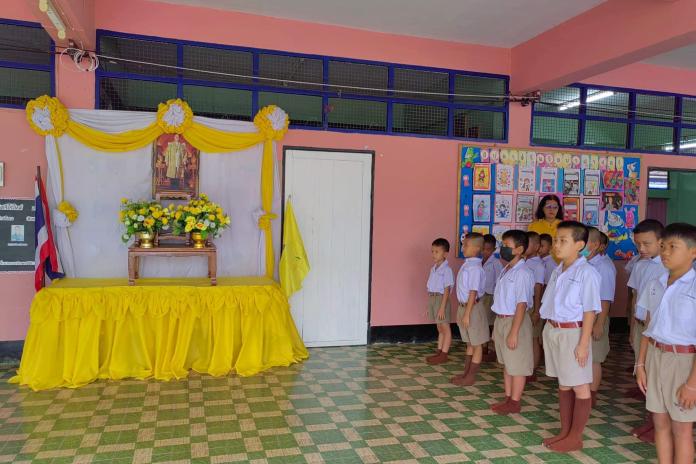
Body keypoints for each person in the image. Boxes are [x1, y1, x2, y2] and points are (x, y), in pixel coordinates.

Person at [635, 223, 696, 464]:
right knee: (660, 424)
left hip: (684, 362)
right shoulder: (655, 284)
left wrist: (692, 384)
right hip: (654, 357)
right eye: (663, 247)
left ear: (693, 252)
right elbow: (648, 329)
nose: (665, 253)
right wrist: (640, 365)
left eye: (673, 247)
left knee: (681, 429)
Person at [540, 221, 601, 453]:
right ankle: (565, 431)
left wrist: (583, 344)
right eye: (556, 240)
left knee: (580, 386)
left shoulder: (587, 272)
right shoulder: (559, 270)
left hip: (573, 333)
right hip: (554, 330)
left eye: (563, 241)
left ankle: (576, 436)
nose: (557, 245)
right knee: (564, 385)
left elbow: (590, 311)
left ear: (580, 245)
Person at [627, 220, 667, 441]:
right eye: (638, 244)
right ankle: (650, 420)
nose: (641, 249)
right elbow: (635, 296)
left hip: (658, 331)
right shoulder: (640, 264)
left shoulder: (667, 266)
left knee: (658, 378)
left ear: (662, 242)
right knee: (645, 373)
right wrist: (633, 325)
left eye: (647, 244)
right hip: (642, 327)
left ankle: (657, 423)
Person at [490, 230, 534, 416]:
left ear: (520, 249)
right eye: (503, 244)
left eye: (507, 245)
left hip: (515, 323)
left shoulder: (523, 273)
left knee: (517, 365)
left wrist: (514, 332)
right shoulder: (506, 269)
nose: (503, 248)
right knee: (507, 364)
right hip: (501, 320)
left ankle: (515, 401)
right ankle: (508, 397)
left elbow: (522, 305)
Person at [452, 233, 487, 386]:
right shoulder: (468, 264)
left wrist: (467, 314)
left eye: (466, 245)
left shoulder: (474, 268)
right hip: (464, 307)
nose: (463, 247)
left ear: (477, 248)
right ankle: (466, 373)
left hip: (471, 309)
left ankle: (471, 376)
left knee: (476, 343)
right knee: (469, 343)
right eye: (463, 244)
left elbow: (473, 292)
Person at [586, 228, 616, 408]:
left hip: (598, 316)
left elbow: (605, 297)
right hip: (583, 317)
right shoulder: (583, 263)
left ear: (596, 245)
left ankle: (592, 394)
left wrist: (600, 323)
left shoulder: (604, 266)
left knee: (595, 358)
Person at [425, 238, 454, 365]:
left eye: (437, 251)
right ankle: (439, 351)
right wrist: (429, 306)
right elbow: (431, 286)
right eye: (432, 251)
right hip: (433, 298)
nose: (433, 254)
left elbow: (447, 289)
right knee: (439, 328)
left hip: (442, 300)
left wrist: (442, 307)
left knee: (445, 327)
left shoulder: (447, 270)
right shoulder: (434, 268)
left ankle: (444, 354)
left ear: (445, 254)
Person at [525, 231, 546, 382]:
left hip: (533, 304)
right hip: (524, 304)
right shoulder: (525, 261)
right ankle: (526, 367)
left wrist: (537, 310)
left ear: (537, 246)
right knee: (526, 337)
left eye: (528, 243)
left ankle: (533, 370)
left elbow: (538, 288)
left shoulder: (538, 265)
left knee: (533, 338)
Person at [481, 234, 503, 362]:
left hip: (491, 297)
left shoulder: (496, 263)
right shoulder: (479, 262)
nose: (485, 252)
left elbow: (499, 283)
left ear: (494, 249)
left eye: (488, 249)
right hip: (481, 297)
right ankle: (483, 348)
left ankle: (493, 350)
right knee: (482, 323)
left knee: (490, 325)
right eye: (483, 248)